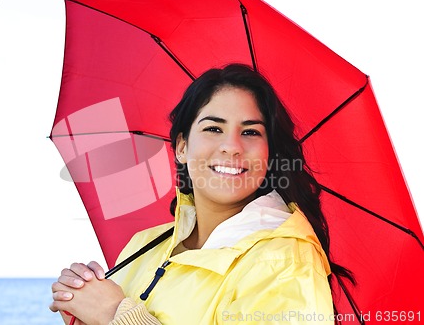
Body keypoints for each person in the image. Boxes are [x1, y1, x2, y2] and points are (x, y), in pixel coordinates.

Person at [49, 64, 353, 324]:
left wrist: (116, 313)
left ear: (270, 154)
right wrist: (82, 307)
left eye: (250, 132)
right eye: (214, 129)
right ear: (182, 147)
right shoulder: (143, 246)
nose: (232, 146)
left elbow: (115, 314)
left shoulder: (285, 262)